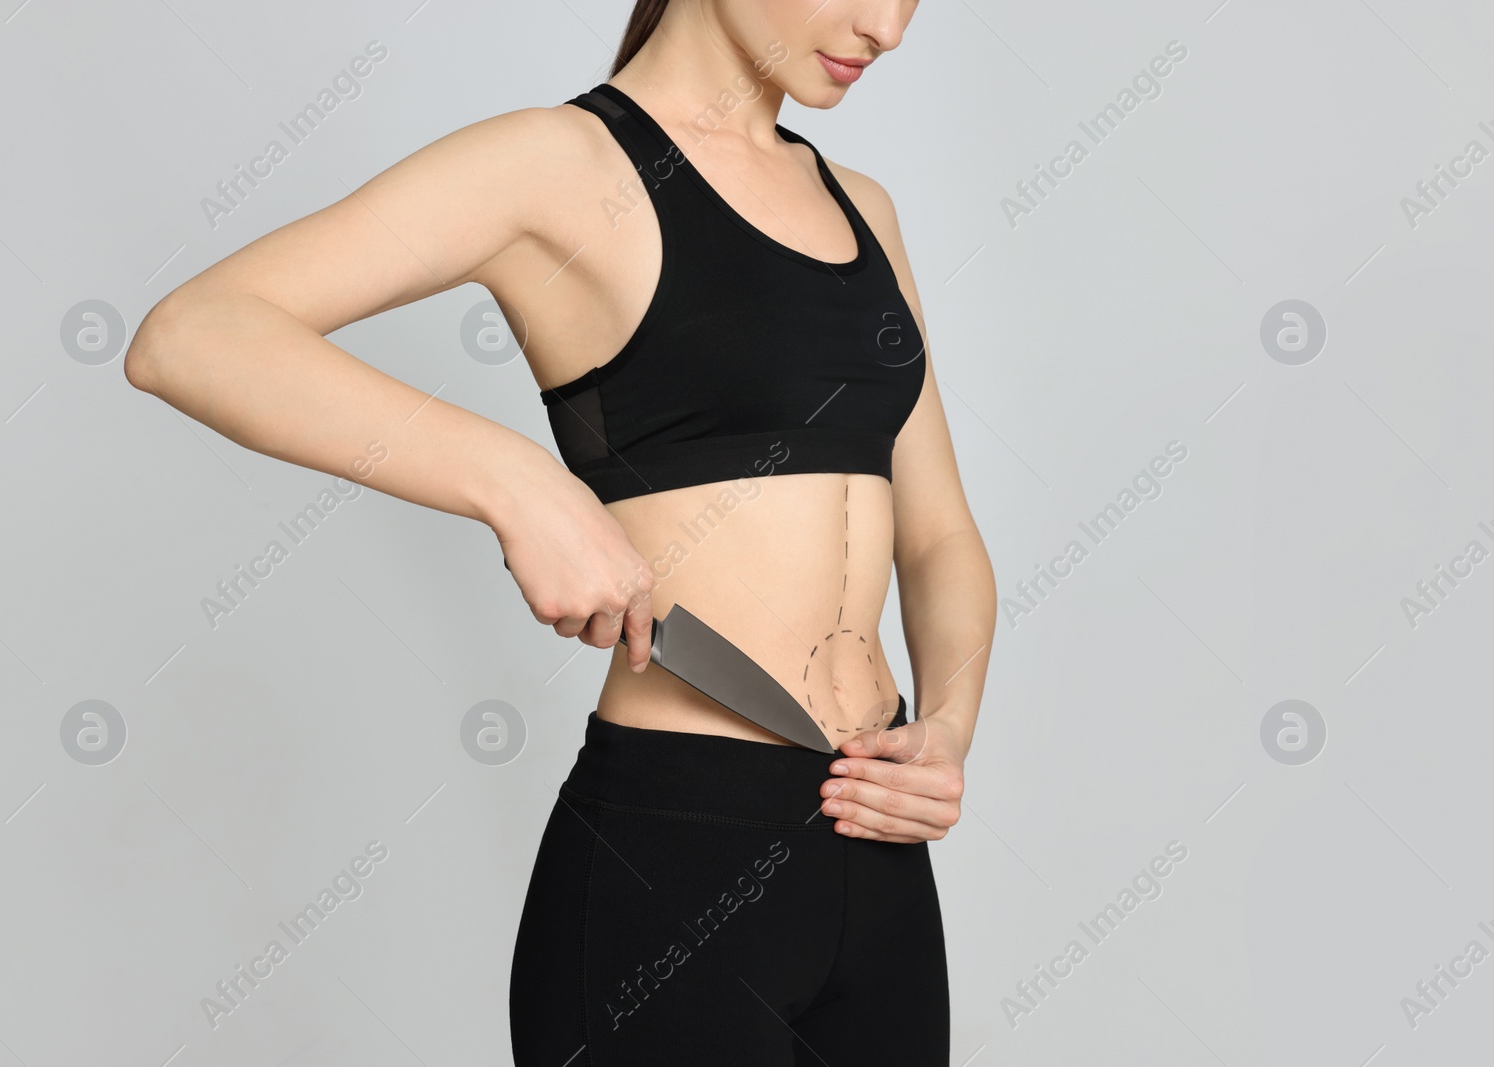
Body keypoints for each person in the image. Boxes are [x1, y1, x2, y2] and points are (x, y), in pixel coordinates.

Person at [124, 0, 993, 1062]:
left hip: (876, 850)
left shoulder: (862, 207)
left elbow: (940, 532)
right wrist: (515, 481)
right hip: (678, 855)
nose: (886, 28)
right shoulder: (556, 164)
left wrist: (944, 727)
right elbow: (195, 335)